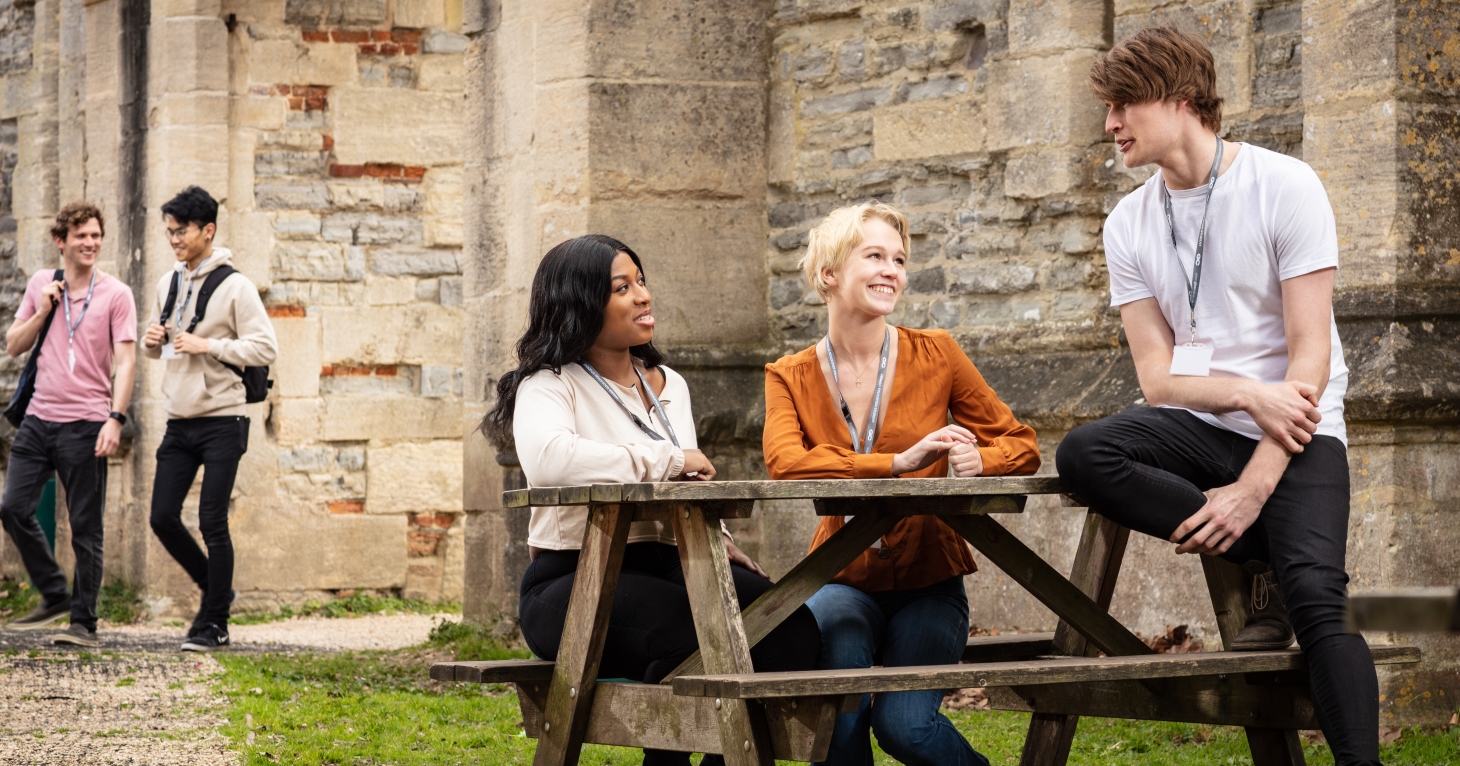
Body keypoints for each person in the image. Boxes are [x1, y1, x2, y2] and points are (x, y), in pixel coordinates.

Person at [1058, 27, 1378, 765]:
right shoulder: (1127, 222)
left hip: (1301, 431)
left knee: (1320, 606)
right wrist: (1243, 395)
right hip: (1203, 423)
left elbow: (1310, 356)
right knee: (1086, 452)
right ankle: (1281, 555)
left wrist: (1253, 488)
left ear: (1179, 101)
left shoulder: (1285, 185)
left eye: (1121, 105)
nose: (1110, 125)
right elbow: (1159, 379)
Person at [483, 234, 821, 766]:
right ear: (581, 302)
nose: (643, 296)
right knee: (708, 640)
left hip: (679, 563)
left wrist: (720, 538)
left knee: (790, 630)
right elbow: (553, 460)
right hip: (573, 583)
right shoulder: (548, 385)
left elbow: (689, 477)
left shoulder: (670, 385)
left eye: (641, 281)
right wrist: (667, 459)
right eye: (623, 287)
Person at [762, 201, 1040, 766]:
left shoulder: (937, 353)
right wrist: (894, 463)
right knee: (839, 726)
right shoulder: (787, 375)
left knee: (905, 728)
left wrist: (982, 462)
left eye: (899, 259)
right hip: (840, 579)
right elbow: (786, 463)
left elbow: (1022, 444)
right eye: (875, 256)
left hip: (931, 583)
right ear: (829, 274)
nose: (892, 269)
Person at [141, 186, 277, 652]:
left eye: (181, 231)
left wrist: (210, 345)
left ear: (208, 230)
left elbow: (265, 347)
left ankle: (214, 622)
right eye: (169, 232)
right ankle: (217, 588)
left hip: (223, 418)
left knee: (211, 519)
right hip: (179, 419)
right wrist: (152, 342)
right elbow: (163, 349)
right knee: (161, 517)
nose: (174, 239)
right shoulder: (168, 283)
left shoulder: (236, 286)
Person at [1, 202, 137, 647]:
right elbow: (14, 345)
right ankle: (56, 594)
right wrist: (42, 311)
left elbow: (126, 359)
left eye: (96, 235)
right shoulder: (44, 283)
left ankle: (84, 623)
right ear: (61, 241)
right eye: (81, 235)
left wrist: (114, 419)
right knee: (12, 508)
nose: (90, 242)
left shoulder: (116, 294)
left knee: (85, 528)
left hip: (86, 424)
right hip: (39, 421)